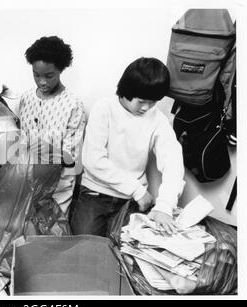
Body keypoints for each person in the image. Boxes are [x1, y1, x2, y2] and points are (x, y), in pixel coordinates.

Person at [70, 57, 185, 237]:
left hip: (131, 201)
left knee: (127, 254)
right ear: (126, 91)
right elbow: (93, 161)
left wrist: (165, 206)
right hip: (95, 194)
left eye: (153, 102)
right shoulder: (104, 108)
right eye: (141, 101)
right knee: (85, 250)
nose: (146, 107)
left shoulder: (157, 119)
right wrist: (137, 190)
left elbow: (173, 162)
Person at [18, 36, 86, 215]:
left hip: (58, 183)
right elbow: (19, 138)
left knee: (49, 231)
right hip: (25, 177)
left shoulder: (72, 105)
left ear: (60, 70)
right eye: (36, 75)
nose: (42, 82)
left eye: (49, 76)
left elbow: (70, 156)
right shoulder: (26, 98)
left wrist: (44, 153)